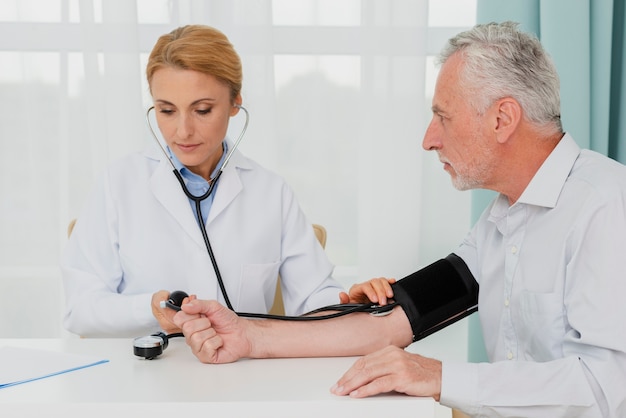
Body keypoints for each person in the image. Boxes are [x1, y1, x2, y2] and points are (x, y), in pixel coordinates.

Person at [169, 21, 626, 417]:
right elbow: (391, 322)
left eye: (442, 118)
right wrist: (248, 336)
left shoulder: (606, 207)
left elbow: (609, 391)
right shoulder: (501, 222)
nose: (429, 140)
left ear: (503, 119)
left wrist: (442, 377)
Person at [61, 24, 356, 338]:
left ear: (234, 103)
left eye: (202, 110)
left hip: (241, 377)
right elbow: (80, 309)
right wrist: (148, 308)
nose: (183, 131)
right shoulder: (117, 184)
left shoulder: (271, 193)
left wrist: (352, 304)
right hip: (145, 375)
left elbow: (315, 298)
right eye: (167, 110)